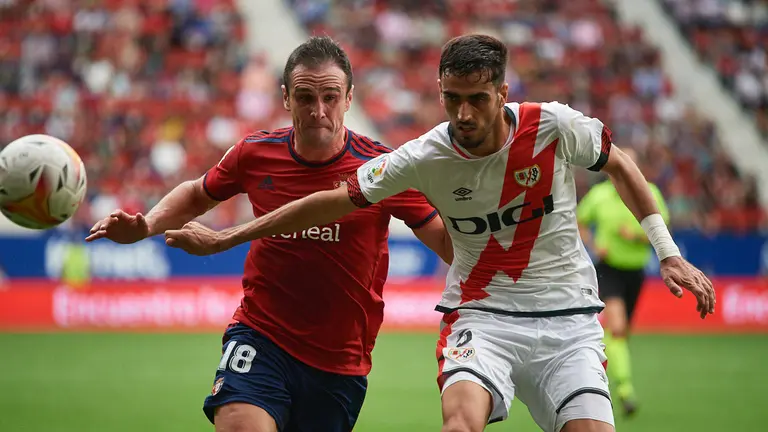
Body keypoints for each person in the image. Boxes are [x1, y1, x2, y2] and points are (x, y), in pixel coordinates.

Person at [165, 34, 716, 432]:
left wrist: (666, 252)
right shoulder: (422, 156)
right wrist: (226, 237)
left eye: (477, 98)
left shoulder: (555, 126)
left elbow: (619, 164)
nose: (463, 112)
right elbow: (329, 201)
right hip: (482, 317)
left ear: (503, 93)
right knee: (460, 425)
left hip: (568, 317)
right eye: (451, 98)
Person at [86, 36, 451, 432]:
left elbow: (448, 243)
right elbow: (197, 192)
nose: (318, 110)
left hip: (339, 361)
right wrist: (147, 224)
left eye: (330, 97)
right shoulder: (256, 153)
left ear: (348, 99)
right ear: (285, 98)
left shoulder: (383, 169)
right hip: (262, 336)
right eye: (305, 97)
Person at [577, 148, 670, 417]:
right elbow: (580, 221)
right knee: (617, 327)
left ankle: (601, 363)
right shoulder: (599, 196)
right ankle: (625, 391)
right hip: (607, 270)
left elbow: (662, 230)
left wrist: (636, 236)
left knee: (621, 333)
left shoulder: (649, 192)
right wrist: (593, 245)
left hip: (635, 272)